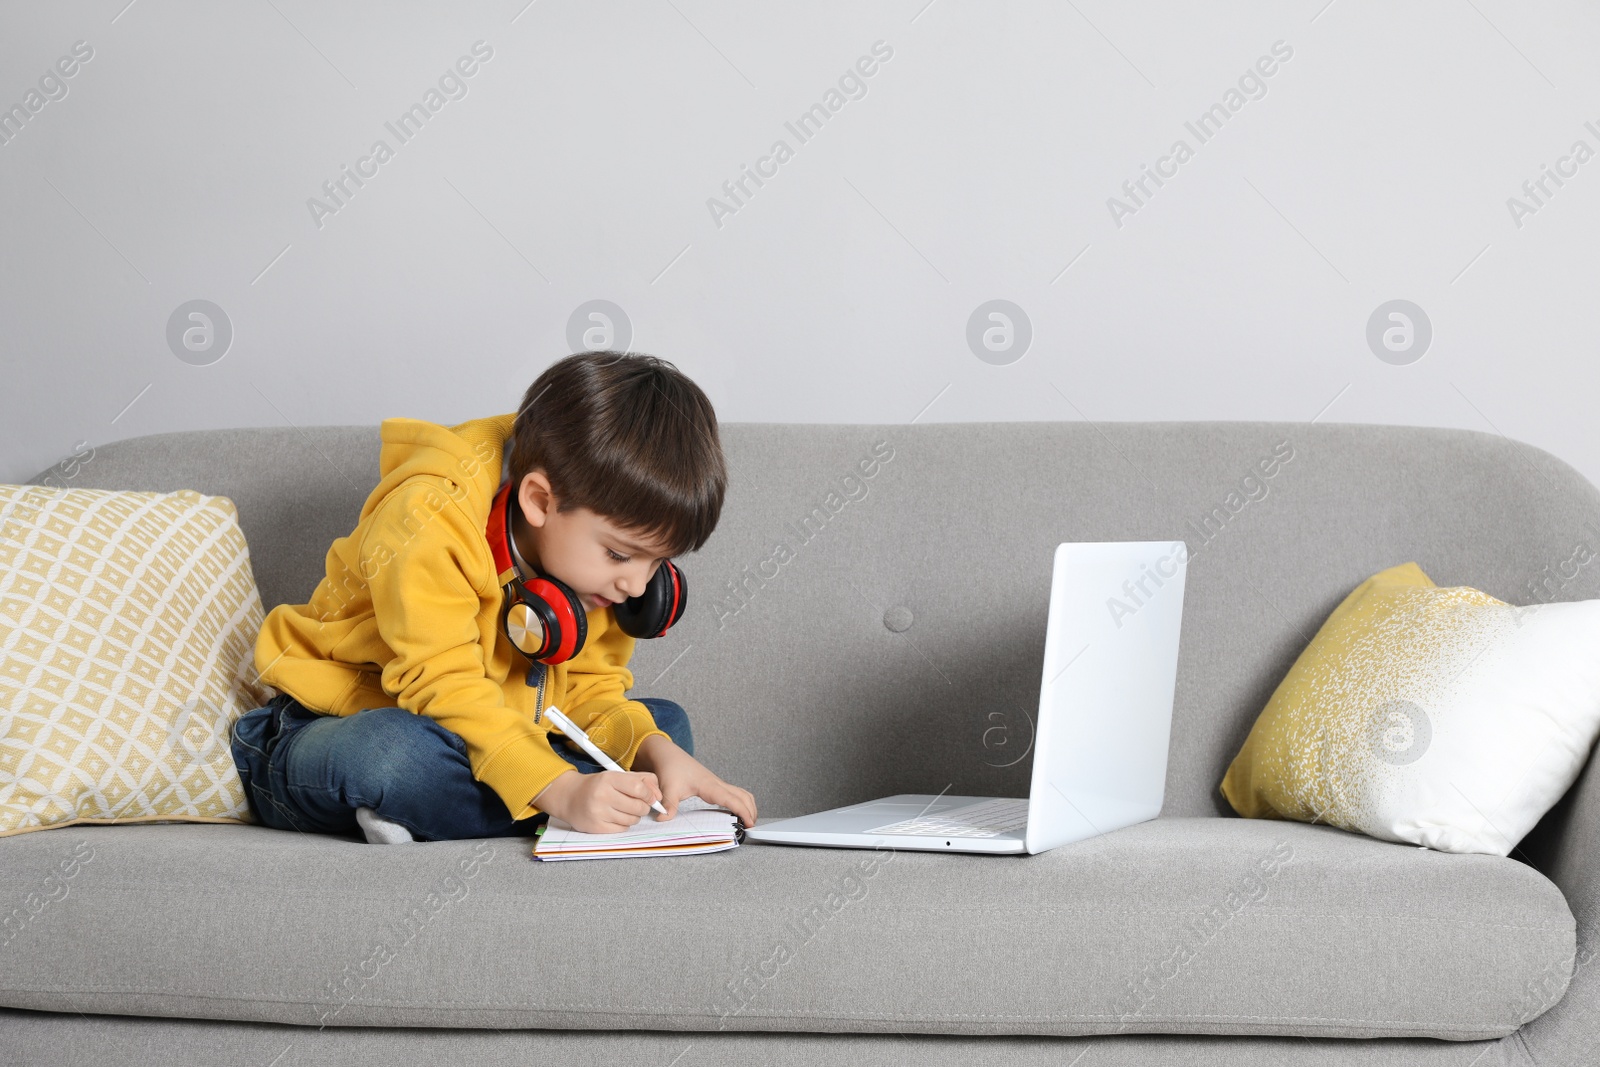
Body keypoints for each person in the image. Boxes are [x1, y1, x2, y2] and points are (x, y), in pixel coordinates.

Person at [229, 350, 757, 843]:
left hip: (503, 729)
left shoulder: (600, 578)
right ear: (539, 500)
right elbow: (444, 688)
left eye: (658, 563)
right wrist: (561, 790)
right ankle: (543, 802)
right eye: (620, 555)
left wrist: (656, 751)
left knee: (667, 727)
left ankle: (473, 807)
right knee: (394, 757)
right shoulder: (428, 520)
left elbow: (592, 691)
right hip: (341, 723)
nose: (638, 587)